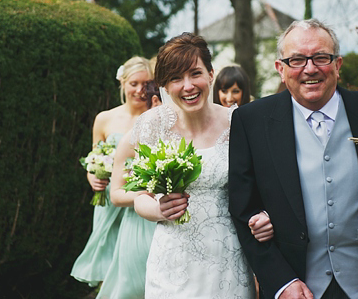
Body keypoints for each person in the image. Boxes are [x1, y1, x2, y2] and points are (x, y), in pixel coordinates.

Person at [228, 19, 358, 299]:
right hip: (298, 287)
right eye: (296, 60)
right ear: (281, 69)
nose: (310, 69)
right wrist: (282, 282)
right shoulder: (251, 121)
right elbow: (242, 210)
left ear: (337, 65)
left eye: (320, 57)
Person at [120, 32, 271, 298]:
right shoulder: (151, 125)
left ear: (211, 74)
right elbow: (138, 196)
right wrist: (158, 208)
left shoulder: (241, 123)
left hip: (228, 260)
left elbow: (265, 189)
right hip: (172, 263)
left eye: (195, 73)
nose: (188, 86)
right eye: (176, 78)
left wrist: (266, 217)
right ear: (165, 86)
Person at [70, 56, 152, 287]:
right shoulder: (104, 119)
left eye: (146, 84)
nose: (139, 90)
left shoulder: (157, 116)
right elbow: (94, 158)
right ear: (122, 83)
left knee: (137, 268)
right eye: (134, 83)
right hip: (108, 202)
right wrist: (92, 177)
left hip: (140, 201)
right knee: (108, 267)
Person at [95, 80, 162, 299]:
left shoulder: (184, 135)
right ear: (156, 101)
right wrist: (148, 193)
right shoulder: (131, 139)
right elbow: (116, 194)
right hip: (137, 226)